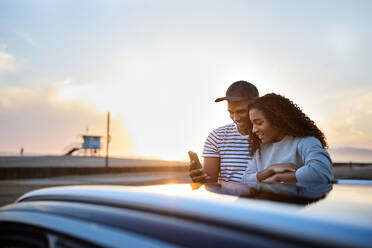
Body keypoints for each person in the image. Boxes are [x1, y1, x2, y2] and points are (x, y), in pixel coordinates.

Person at [242, 93, 334, 184]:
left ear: (278, 120)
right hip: (265, 198)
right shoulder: (260, 148)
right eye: (252, 124)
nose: (254, 130)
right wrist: (271, 170)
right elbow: (246, 179)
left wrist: (278, 178)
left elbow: (321, 172)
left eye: (259, 123)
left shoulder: (305, 142)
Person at [190, 81, 259, 183]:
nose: (235, 118)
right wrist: (201, 180)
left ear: (257, 105)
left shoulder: (268, 135)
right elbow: (210, 182)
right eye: (231, 112)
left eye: (241, 111)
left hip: (262, 198)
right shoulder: (216, 136)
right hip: (227, 198)